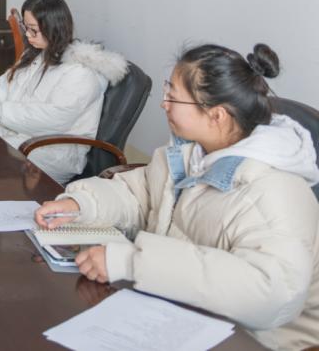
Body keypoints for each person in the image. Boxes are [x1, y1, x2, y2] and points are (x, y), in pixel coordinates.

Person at [35, 43, 319, 350]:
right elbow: (138, 195)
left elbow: (271, 293)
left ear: (217, 116)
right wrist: (81, 205)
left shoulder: (275, 190)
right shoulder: (191, 154)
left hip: (252, 341)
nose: (164, 104)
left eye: (173, 96)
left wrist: (133, 262)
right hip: (181, 316)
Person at [0, 0, 126, 184]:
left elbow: (54, 119)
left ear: (54, 28)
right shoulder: (36, 56)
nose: (27, 35)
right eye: (26, 28)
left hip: (52, 150)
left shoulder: (80, 73)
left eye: (33, 30)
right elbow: (5, 90)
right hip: (22, 136)